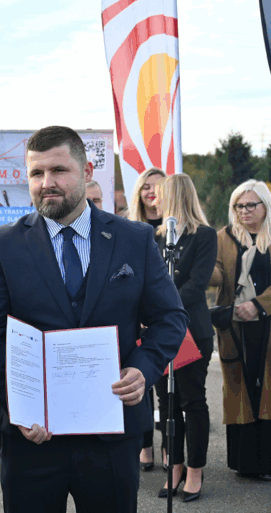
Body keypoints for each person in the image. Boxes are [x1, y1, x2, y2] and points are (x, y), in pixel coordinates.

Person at [0, 126, 187, 513]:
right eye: (36, 173)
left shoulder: (134, 240)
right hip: (32, 438)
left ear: (87, 171)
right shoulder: (1, 245)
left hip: (111, 434)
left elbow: (170, 317)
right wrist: (20, 406)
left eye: (58, 170)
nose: (46, 183)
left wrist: (143, 368)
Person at [151, 174, 216, 501]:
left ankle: (194, 470)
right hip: (159, 334)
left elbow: (196, 284)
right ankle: (173, 465)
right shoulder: (154, 237)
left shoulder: (204, 236)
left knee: (192, 400)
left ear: (175, 197)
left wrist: (161, 305)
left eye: (159, 194)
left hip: (192, 331)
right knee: (167, 403)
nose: (154, 200)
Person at [211, 179, 271, 481]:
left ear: (265, 206)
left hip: (268, 325)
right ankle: (245, 463)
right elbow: (219, 273)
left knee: (268, 391)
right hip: (234, 327)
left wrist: (259, 305)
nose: (245, 211)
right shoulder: (224, 237)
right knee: (239, 389)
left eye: (251, 204)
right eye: (239, 205)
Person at [128, 166, 166, 471]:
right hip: (134, 324)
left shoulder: (176, 229)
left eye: (158, 186)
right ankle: (145, 445)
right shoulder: (128, 230)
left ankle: (169, 446)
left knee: (167, 392)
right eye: (145, 187)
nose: (151, 192)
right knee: (140, 387)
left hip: (164, 322)